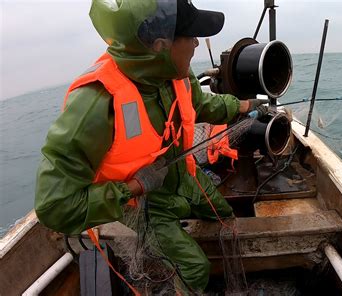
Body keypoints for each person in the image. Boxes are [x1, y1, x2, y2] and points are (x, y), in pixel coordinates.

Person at [34, 0, 267, 293]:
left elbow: (201, 104)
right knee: (195, 268)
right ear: (160, 44)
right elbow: (55, 206)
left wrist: (243, 105)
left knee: (225, 214)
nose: (197, 43)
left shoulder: (176, 72)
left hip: (184, 179)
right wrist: (134, 187)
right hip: (143, 204)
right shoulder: (95, 104)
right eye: (191, 37)